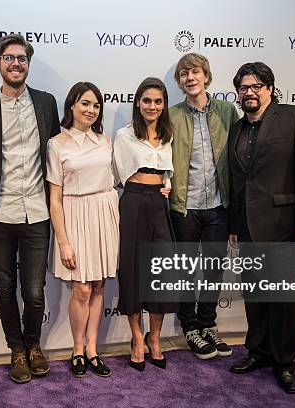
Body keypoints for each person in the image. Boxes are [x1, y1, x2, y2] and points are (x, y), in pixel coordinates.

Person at [0, 34, 60, 384]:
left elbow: (56, 158)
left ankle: (34, 344)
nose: (15, 63)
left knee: (34, 291)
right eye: (8, 57)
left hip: (38, 212)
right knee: (5, 288)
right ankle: (16, 349)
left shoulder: (47, 103)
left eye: (21, 58)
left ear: (28, 64)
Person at [227, 62, 295, 394]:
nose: (249, 92)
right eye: (243, 87)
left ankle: (284, 363)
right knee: (255, 296)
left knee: (282, 299)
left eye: (256, 86)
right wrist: (236, 226)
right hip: (249, 228)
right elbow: (238, 182)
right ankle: (258, 353)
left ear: (269, 87)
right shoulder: (237, 128)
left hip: (285, 226)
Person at [168, 53, 239, 359]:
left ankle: (208, 324)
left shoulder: (226, 110)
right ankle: (190, 328)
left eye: (195, 72)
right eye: (184, 74)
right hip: (185, 207)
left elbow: (239, 154)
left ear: (206, 76)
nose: (190, 78)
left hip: (219, 206)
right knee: (185, 270)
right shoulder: (170, 115)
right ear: (180, 82)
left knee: (212, 269)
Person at [46, 82, 118, 378]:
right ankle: (77, 349)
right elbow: (54, 198)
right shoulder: (57, 143)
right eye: (85, 103)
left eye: (96, 105)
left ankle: (92, 349)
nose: (91, 110)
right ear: (72, 106)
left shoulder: (105, 140)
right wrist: (63, 241)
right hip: (74, 216)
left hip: (104, 213)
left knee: (99, 285)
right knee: (82, 288)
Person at [113, 77, 177, 371]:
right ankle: (137, 338)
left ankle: (156, 339)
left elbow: (171, 171)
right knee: (133, 269)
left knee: (161, 271)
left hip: (159, 204)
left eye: (158, 101)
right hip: (134, 201)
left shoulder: (168, 134)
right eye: (147, 100)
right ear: (138, 103)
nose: (152, 106)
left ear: (164, 106)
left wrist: (166, 184)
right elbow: (118, 176)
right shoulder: (125, 135)